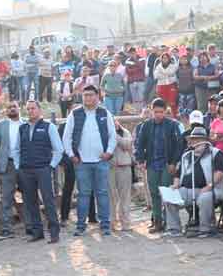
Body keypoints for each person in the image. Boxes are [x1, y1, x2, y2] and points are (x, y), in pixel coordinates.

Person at [62, 85, 117, 236]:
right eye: (85, 95)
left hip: (101, 161)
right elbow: (66, 137)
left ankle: (105, 225)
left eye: (91, 95)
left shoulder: (105, 113)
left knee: (102, 193)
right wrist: (71, 154)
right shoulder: (75, 114)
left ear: (97, 96)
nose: (88, 98)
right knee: (83, 194)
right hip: (81, 162)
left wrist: (109, 152)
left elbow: (113, 136)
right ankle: (81, 226)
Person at [18, 100, 63, 243]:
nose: (30, 111)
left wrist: (51, 166)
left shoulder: (49, 127)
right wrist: (19, 166)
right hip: (26, 170)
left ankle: (54, 232)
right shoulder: (22, 128)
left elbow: (59, 150)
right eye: (28, 109)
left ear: (39, 110)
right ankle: (37, 232)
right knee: (30, 202)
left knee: (48, 201)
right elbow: (17, 149)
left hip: (43, 169)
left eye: (33, 108)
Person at [170, 126, 223, 237]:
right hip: (186, 189)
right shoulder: (186, 155)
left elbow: (220, 173)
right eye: (194, 139)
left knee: (205, 198)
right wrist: (176, 184)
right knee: (170, 196)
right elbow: (178, 173)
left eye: (199, 140)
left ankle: (205, 229)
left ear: (205, 141)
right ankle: (174, 229)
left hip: (209, 189)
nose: (195, 142)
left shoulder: (215, 153)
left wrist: (209, 186)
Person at [135, 98, 182, 234]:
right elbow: (139, 144)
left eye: (161, 112)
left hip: (167, 164)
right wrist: (140, 159)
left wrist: (173, 162)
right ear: (151, 110)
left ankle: (169, 222)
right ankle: (157, 222)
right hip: (152, 164)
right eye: (156, 112)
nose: (158, 115)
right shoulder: (146, 125)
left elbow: (178, 146)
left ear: (165, 111)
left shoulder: (172, 125)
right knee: (154, 193)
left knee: (166, 193)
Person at [0, 102, 23, 237]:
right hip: (7, 165)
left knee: (29, 195)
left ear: (19, 108)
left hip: (24, 165)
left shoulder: (25, 124)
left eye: (14, 107)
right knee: (6, 198)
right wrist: (2, 160)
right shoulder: (0, 126)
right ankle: (7, 228)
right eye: (9, 108)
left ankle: (32, 225)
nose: (12, 109)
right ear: (6, 111)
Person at [109, 123, 135, 232]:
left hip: (124, 166)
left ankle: (126, 223)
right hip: (110, 167)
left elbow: (127, 145)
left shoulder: (125, 132)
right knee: (110, 197)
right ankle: (110, 223)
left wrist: (114, 136)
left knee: (125, 196)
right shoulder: (103, 131)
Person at [175, 49, 196, 116]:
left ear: (188, 60)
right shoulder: (178, 69)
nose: (183, 60)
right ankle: (182, 116)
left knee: (190, 104)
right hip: (181, 89)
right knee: (181, 104)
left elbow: (193, 78)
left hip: (190, 89)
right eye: (182, 59)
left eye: (185, 59)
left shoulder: (191, 68)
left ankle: (189, 116)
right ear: (180, 60)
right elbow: (177, 78)